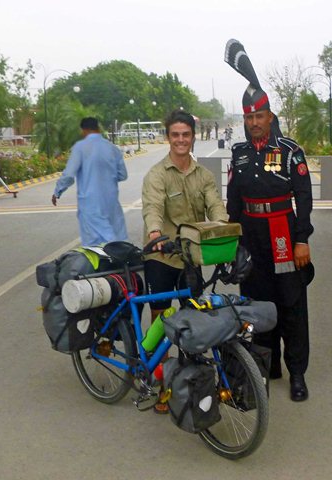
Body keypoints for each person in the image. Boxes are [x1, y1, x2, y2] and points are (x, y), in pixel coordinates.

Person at [225, 38, 314, 402]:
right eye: (248, 117)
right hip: (251, 238)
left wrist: (302, 237)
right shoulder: (240, 154)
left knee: (290, 304)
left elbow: (303, 197)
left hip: (283, 234)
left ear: (270, 117)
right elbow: (233, 202)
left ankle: (296, 373)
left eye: (259, 116)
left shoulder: (291, 151)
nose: (254, 122)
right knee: (256, 305)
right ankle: (265, 365)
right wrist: (234, 243)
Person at [142, 110, 228, 411]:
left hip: (190, 257)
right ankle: (159, 381)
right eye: (175, 135)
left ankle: (191, 379)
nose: (181, 140)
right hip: (162, 256)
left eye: (186, 134)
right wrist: (155, 233)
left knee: (193, 318)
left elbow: (215, 205)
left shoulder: (202, 175)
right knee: (162, 319)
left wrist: (223, 228)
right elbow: (152, 207)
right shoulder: (157, 175)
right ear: (169, 137)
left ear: (193, 136)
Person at [51, 117, 128, 246]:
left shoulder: (80, 148)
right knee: (117, 243)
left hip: (90, 204)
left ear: (84, 130)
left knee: (95, 247)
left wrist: (57, 191)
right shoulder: (112, 148)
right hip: (111, 203)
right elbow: (122, 175)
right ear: (98, 128)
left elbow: (69, 175)